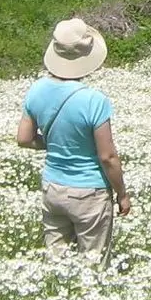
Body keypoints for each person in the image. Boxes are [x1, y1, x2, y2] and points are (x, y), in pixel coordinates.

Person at [17, 17, 131, 258]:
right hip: (89, 192)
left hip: (53, 188)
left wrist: (54, 143)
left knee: (57, 260)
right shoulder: (94, 101)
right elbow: (107, 156)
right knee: (93, 262)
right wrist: (122, 194)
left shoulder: (36, 90)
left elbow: (24, 139)